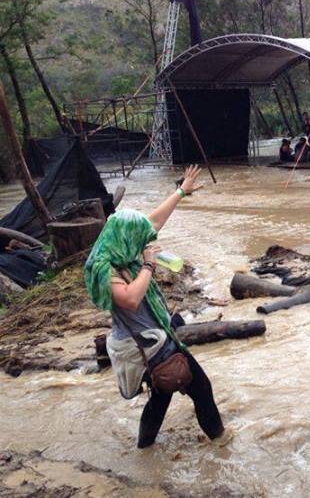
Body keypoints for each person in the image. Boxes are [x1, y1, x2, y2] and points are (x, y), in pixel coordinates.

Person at [84, 166, 229, 448]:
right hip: (150, 344)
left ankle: (145, 448)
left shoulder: (120, 248)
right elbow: (129, 299)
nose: (146, 241)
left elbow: (154, 223)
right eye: (140, 239)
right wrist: (149, 264)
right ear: (126, 238)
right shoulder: (106, 267)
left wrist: (180, 192)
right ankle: (222, 443)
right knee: (201, 388)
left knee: (162, 396)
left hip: (155, 337)